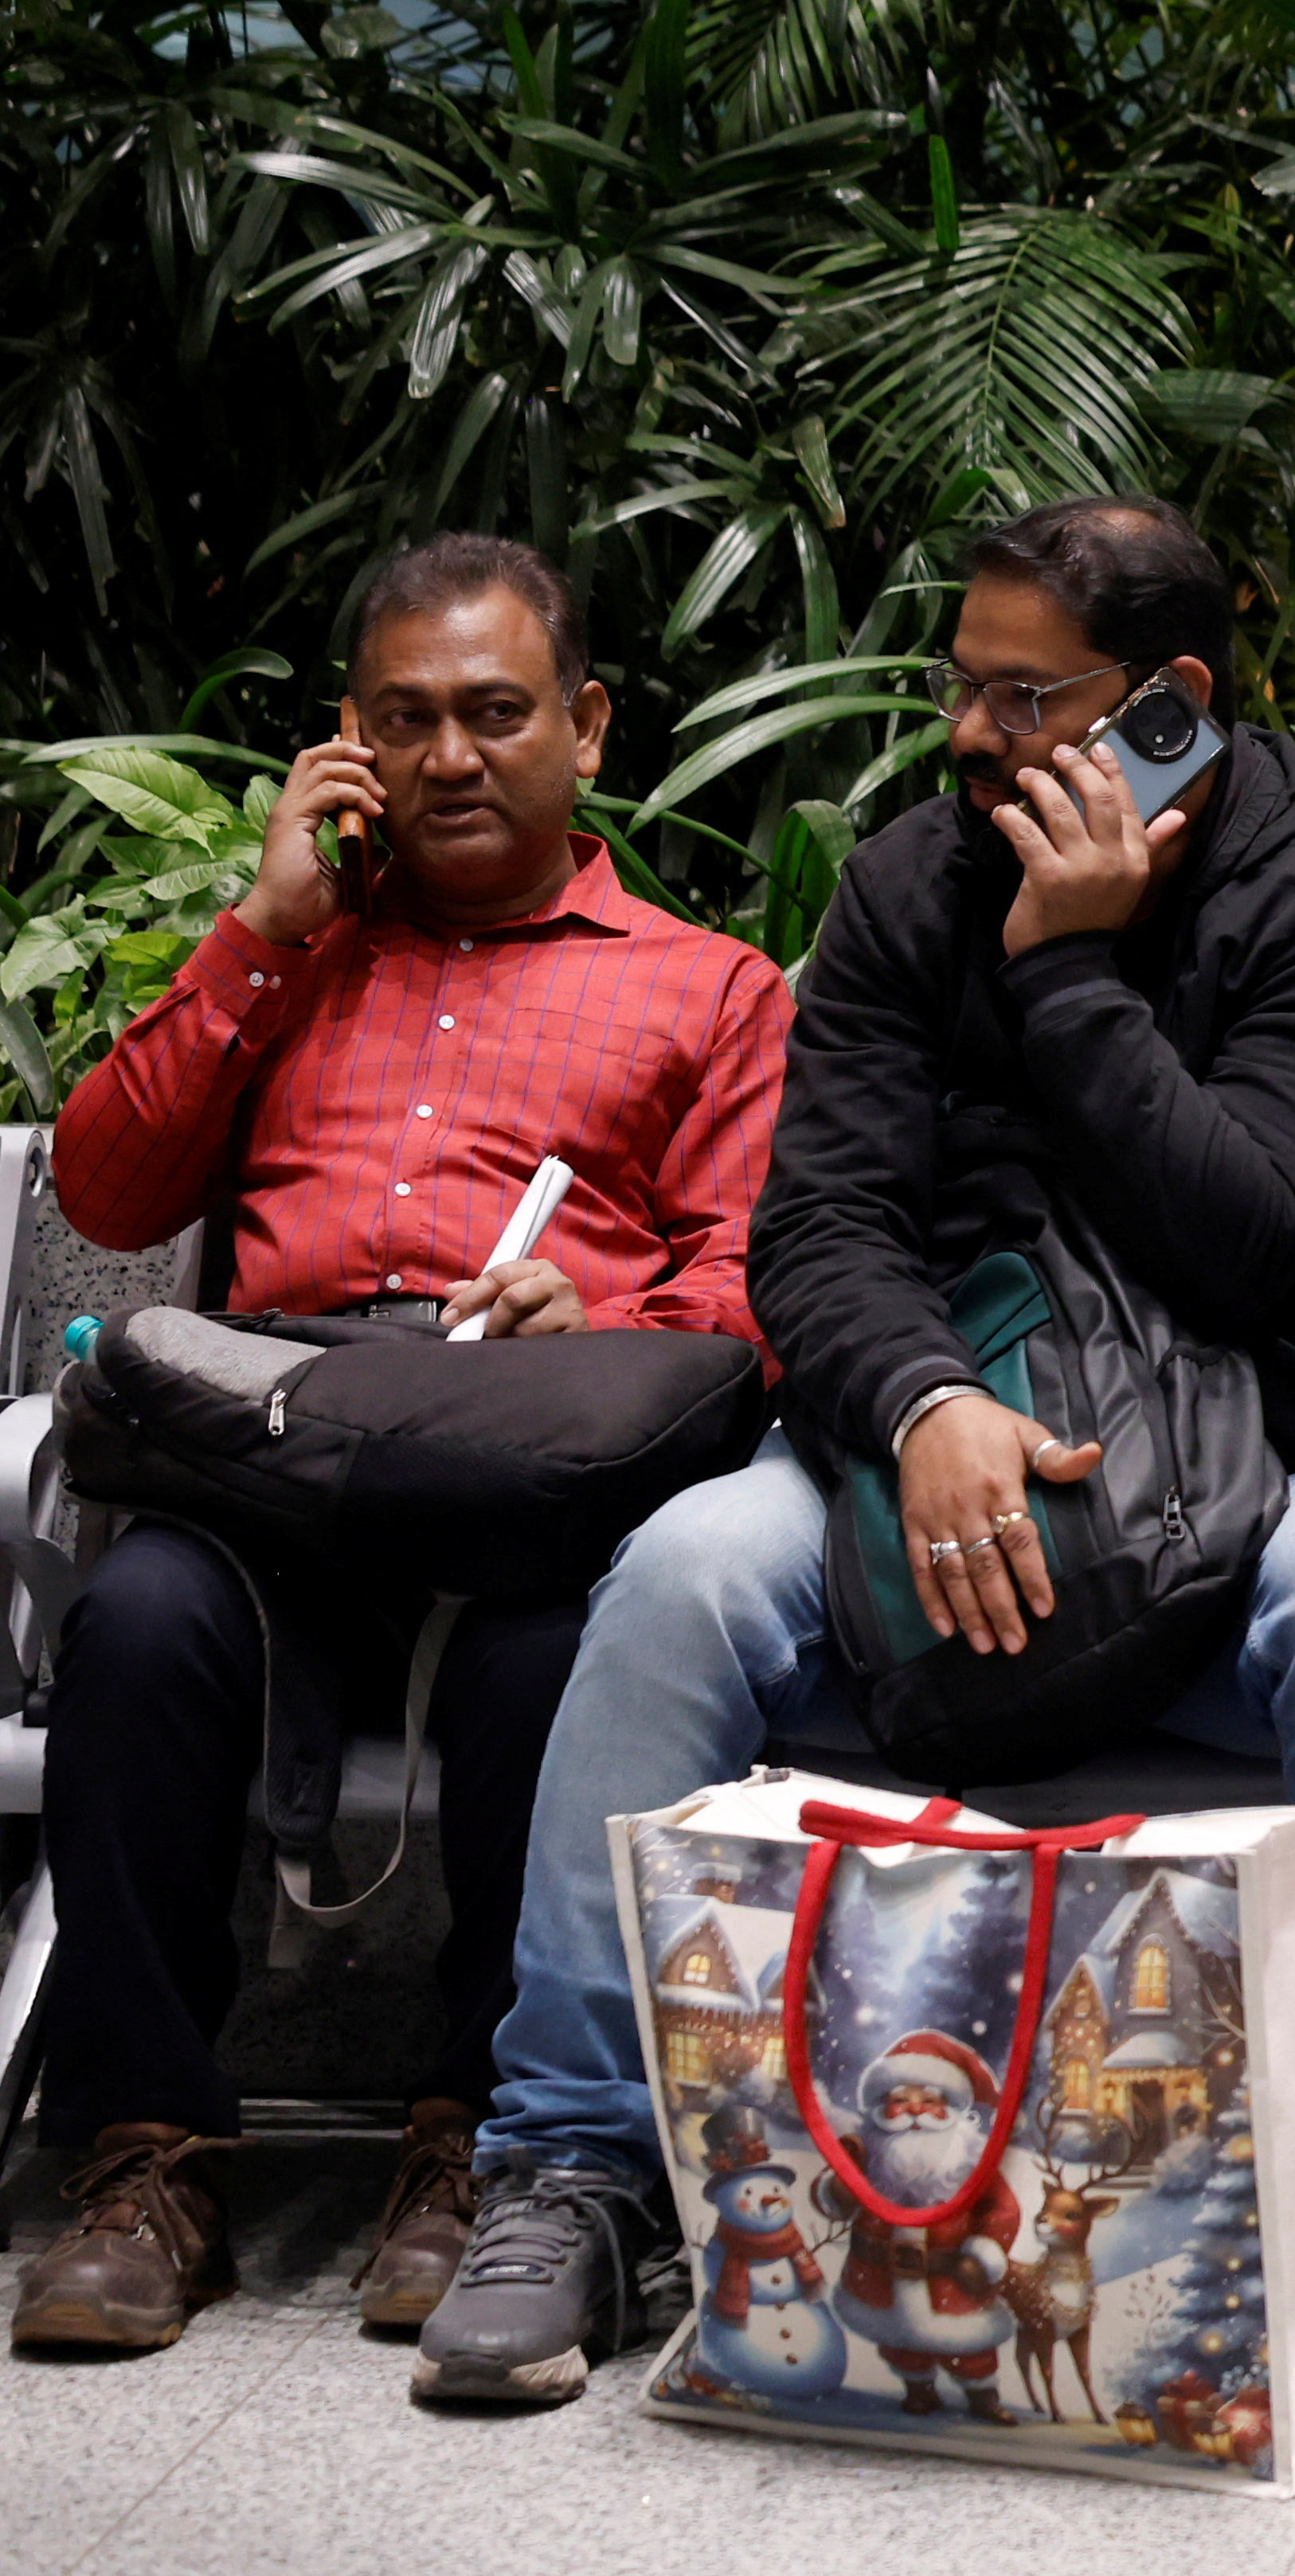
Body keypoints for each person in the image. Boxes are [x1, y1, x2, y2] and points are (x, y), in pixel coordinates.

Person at [418, 496, 1295, 2403]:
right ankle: (565, 2168)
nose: (967, 735)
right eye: (955, 686)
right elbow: (815, 1227)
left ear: (1172, 705)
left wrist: (1069, 970)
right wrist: (923, 1407)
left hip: (1262, 1473)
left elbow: (1259, 1239)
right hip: (928, 1490)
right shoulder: (911, 884)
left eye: (1019, 696)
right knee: (682, 1574)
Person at [9, 537, 791, 2360]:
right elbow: (114, 1191)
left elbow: (753, 1283)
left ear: (585, 728)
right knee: (138, 1633)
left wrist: (594, 1324)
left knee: (556, 1667)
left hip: (528, 1468)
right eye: (407, 720)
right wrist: (262, 932)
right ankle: (149, 2157)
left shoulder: (709, 987)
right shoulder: (295, 962)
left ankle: (476, 2144)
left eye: (497, 715)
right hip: (267, 1451)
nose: (452, 757)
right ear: (349, 744)